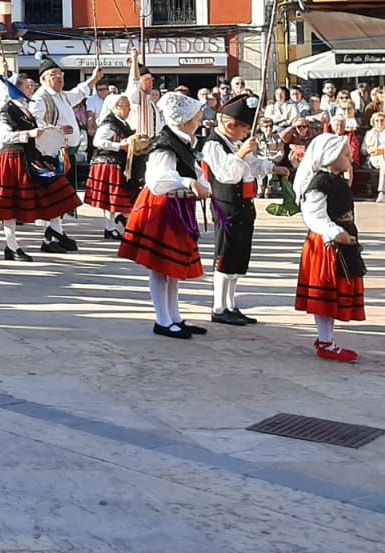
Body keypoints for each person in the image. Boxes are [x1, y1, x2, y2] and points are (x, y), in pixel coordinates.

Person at [117, 91, 210, 340]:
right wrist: (190, 183)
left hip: (178, 206)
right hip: (162, 206)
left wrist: (201, 184)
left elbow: (195, 170)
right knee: (160, 267)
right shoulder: (166, 145)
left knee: (172, 267)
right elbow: (157, 179)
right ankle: (162, 319)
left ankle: (174, 316)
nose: (200, 120)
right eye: (196, 116)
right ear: (184, 119)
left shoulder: (183, 142)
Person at [200, 93, 286, 326]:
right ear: (230, 125)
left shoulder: (236, 142)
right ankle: (218, 306)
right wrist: (241, 153)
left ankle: (231, 304)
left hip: (244, 203)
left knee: (239, 256)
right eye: (245, 128)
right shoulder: (213, 145)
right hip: (226, 204)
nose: (247, 133)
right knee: (225, 255)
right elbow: (227, 174)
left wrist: (271, 168)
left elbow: (252, 166)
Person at [0, 75, 80, 260]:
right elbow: (4, 137)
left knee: (54, 188)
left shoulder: (27, 111)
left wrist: (57, 132)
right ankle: (12, 246)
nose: (32, 89)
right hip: (12, 158)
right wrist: (30, 133)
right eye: (28, 86)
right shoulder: (7, 110)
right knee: (10, 205)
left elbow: (40, 133)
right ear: (17, 89)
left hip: (29, 158)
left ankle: (53, 232)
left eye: (32, 86)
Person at [293, 132, 364, 362]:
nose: (350, 156)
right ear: (330, 156)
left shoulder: (335, 180)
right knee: (325, 295)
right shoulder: (319, 183)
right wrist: (335, 232)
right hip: (326, 245)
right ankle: (325, 343)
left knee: (332, 295)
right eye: (345, 154)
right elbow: (314, 215)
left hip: (341, 242)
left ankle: (326, 338)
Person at [31, 56, 102, 253]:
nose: (59, 78)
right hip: (50, 153)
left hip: (64, 152)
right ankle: (51, 234)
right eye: (54, 75)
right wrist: (58, 129)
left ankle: (56, 230)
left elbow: (78, 93)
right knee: (56, 194)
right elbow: (36, 123)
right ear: (44, 79)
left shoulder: (61, 95)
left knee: (62, 194)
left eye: (60, 75)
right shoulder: (41, 98)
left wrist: (93, 79)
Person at [85, 94, 138, 240]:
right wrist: (120, 146)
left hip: (117, 163)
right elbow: (98, 141)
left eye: (128, 107)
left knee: (117, 197)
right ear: (115, 108)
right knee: (110, 198)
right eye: (124, 107)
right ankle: (110, 227)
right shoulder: (109, 124)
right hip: (107, 163)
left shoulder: (122, 123)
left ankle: (118, 221)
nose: (127, 110)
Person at [365, 111, 385, 203]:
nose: (379, 123)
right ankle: (381, 191)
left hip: (382, 157)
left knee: (383, 160)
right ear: (373, 122)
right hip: (372, 158)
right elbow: (363, 149)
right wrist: (369, 150)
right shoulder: (369, 134)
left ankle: (381, 191)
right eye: (377, 121)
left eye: (382, 120)